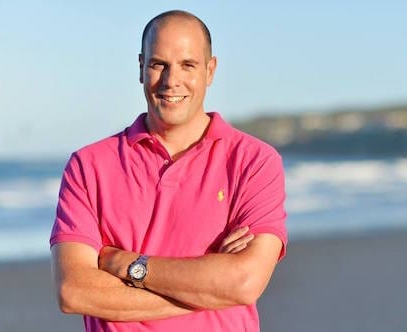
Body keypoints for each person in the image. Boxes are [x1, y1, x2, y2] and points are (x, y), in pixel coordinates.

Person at [50, 9, 287, 332]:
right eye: (158, 64)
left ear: (210, 70)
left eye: (187, 65)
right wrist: (211, 288)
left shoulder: (254, 161)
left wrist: (126, 265)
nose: (171, 80)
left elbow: (244, 283)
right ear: (141, 68)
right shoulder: (88, 165)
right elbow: (74, 291)